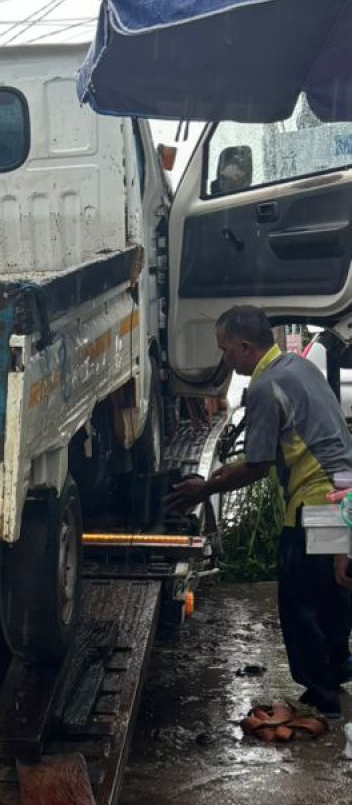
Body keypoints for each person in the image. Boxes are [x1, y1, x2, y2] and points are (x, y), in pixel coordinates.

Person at [170, 304, 352, 717]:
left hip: (314, 504)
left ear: (245, 347)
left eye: (225, 349)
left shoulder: (266, 386)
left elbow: (257, 465)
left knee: (299, 602)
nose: (225, 359)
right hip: (342, 495)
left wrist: (205, 488)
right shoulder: (298, 366)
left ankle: (322, 698)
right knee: (332, 594)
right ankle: (337, 669)